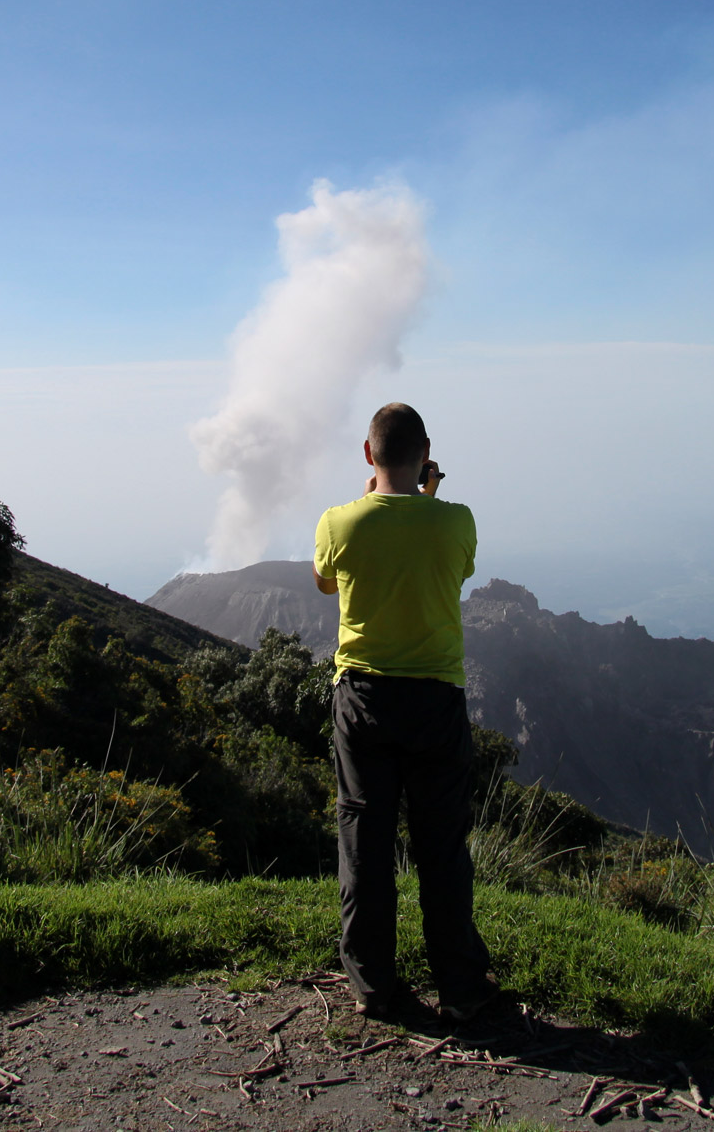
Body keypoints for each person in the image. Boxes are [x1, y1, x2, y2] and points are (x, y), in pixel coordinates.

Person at [313, 402, 496, 1021]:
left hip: (362, 698)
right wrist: (429, 495)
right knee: (442, 845)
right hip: (436, 699)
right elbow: (456, 568)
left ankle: (373, 987)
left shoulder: (339, 522)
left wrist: (373, 501)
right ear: (424, 456)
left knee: (364, 837)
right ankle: (462, 989)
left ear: (368, 455)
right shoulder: (456, 521)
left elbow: (324, 580)